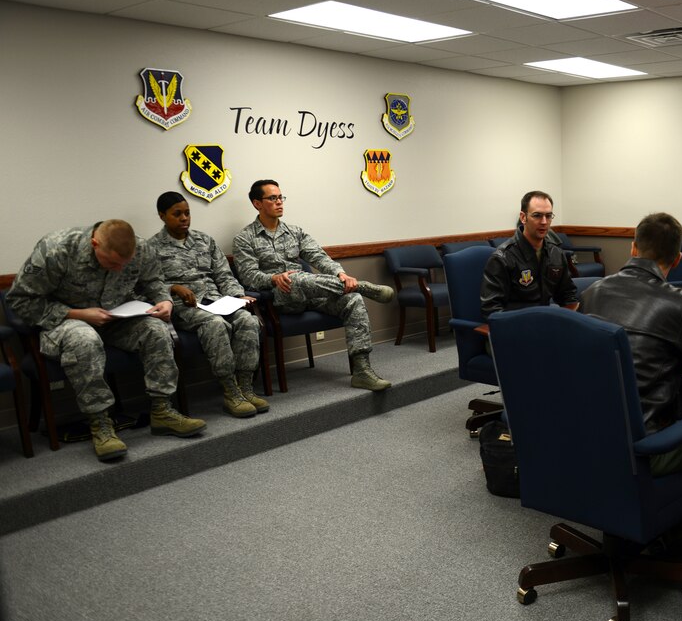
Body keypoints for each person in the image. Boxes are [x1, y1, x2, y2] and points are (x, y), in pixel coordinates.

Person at [7, 220, 207, 462]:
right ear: (94, 244)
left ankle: (162, 411)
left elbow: (153, 282)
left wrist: (164, 301)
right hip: (65, 321)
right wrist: (77, 314)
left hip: (115, 318)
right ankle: (101, 424)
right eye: (112, 263)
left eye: (125, 264)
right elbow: (20, 301)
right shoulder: (56, 249)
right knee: (84, 338)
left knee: (155, 328)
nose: (119, 270)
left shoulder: (142, 249)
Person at [580, 212, 682, 476]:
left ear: (633, 247)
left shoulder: (591, 293)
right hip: (647, 448)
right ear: (678, 259)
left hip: (589, 435)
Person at [232, 180, 395, 391]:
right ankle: (362, 285)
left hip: (310, 295)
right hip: (279, 298)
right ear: (257, 204)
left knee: (351, 299)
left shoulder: (295, 232)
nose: (279, 202)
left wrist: (341, 274)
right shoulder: (245, 238)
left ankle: (362, 371)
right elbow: (248, 277)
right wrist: (273, 278)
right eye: (273, 198)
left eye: (281, 197)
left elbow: (318, 257)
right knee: (296, 277)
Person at [147, 191, 268, 418]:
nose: (184, 218)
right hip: (184, 307)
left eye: (187, 213)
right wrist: (173, 288)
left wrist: (237, 296)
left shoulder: (204, 240)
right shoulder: (151, 248)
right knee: (214, 324)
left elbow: (224, 275)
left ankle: (245, 386)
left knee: (247, 320)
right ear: (162, 216)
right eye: (177, 214)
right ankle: (230, 390)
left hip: (215, 299)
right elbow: (147, 286)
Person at [480, 190, 578, 321]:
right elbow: (491, 309)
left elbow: (567, 295)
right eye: (537, 215)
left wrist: (572, 321)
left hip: (545, 323)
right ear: (523, 217)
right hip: (516, 327)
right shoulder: (502, 257)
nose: (544, 222)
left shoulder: (556, 253)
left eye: (548, 216)